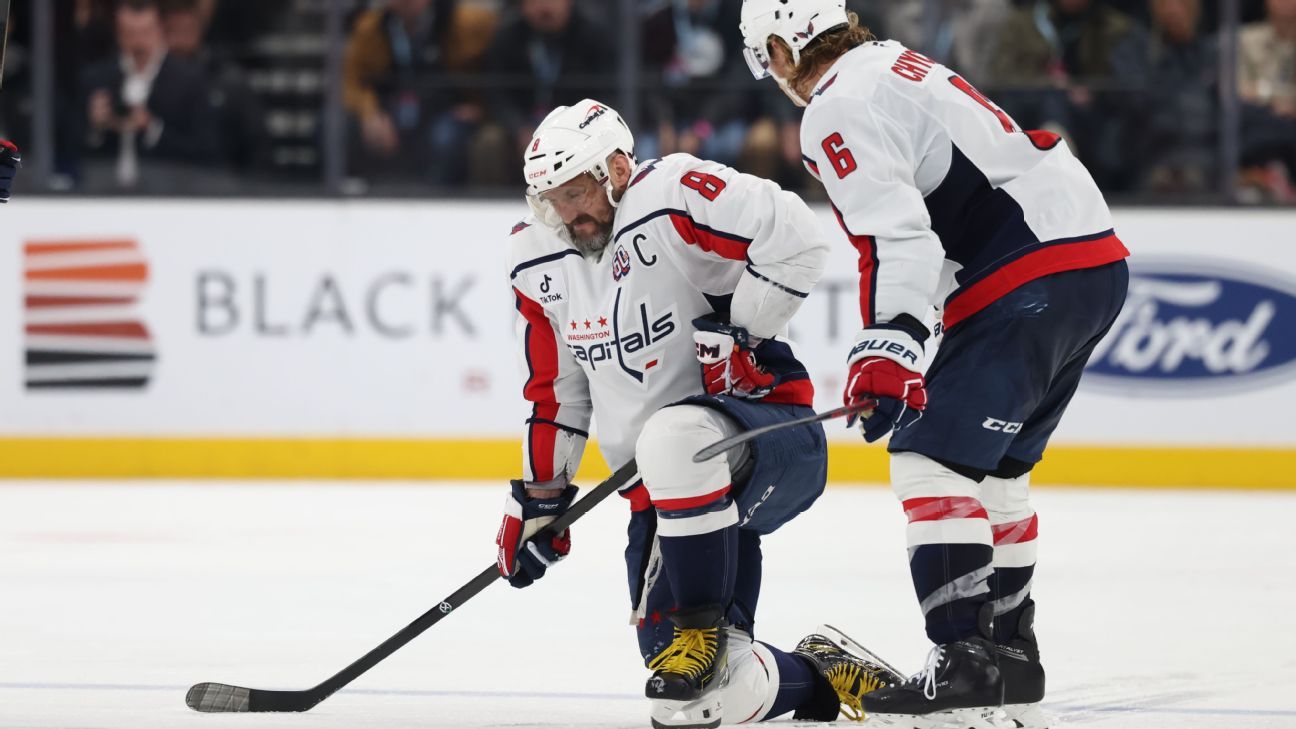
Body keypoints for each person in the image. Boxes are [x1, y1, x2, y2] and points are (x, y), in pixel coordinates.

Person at [739, 2, 1130, 728]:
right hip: (1091, 258)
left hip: (1026, 272)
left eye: (767, 60)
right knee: (998, 475)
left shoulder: (834, 107)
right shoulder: (891, 63)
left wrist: (888, 346)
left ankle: (966, 658)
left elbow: (899, 236)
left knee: (928, 462)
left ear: (779, 48)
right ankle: (1011, 654)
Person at [496, 98, 900, 728]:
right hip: (665, 494)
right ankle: (819, 673)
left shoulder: (672, 194)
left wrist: (741, 331)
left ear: (617, 168)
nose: (566, 214)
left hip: (762, 440)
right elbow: (558, 393)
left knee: (674, 434)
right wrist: (538, 501)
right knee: (692, 702)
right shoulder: (536, 258)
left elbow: (799, 237)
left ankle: (701, 630)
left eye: (575, 191)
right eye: (550, 197)